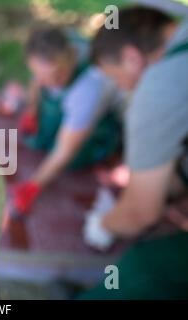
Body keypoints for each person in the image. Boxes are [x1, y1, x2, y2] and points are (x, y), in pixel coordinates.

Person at [81, 6, 188, 299]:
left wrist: (102, 223)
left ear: (131, 57)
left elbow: (141, 214)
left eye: (116, 78)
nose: (121, 87)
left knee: (145, 270)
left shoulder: (158, 87)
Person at [11, 27, 123, 216]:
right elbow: (37, 81)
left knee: (71, 159)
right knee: (40, 136)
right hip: (69, 107)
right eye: (41, 75)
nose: (47, 82)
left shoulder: (90, 88)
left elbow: (65, 149)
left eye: (57, 75)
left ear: (71, 57)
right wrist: (31, 111)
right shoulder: (50, 49)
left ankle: (106, 154)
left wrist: (33, 186)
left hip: (99, 126)